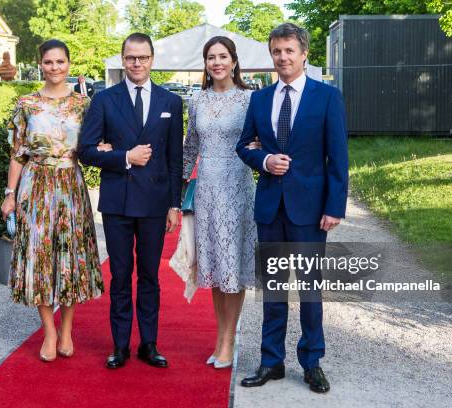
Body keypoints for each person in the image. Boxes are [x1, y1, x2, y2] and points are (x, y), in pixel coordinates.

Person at [236, 23, 348, 393]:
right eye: (276, 51)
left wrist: (334, 207)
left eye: (288, 51)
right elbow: (244, 146)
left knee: (310, 291)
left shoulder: (327, 98)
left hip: (311, 211)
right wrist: (265, 161)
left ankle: (312, 361)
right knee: (273, 290)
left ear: (304, 54)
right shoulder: (260, 99)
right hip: (270, 208)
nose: (282, 57)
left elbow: (338, 158)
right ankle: (272, 362)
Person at [78, 33, 183, 369]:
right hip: (118, 202)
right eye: (131, 58)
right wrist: (125, 157)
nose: (137, 64)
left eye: (143, 57)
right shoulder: (104, 100)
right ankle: (120, 345)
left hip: (154, 202)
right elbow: (86, 150)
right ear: (123, 59)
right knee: (121, 275)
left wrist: (174, 204)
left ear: (152, 59)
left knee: (150, 276)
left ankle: (148, 344)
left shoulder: (171, 101)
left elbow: (174, 157)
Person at [1, 39, 105, 362]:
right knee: (39, 257)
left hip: (71, 186)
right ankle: (48, 331)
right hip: (35, 186)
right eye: (48, 62)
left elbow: (95, 145)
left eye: (60, 62)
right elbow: (18, 153)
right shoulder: (26, 104)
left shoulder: (84, 105)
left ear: (69, 65)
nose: (55, 67)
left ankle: (67, 330)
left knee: (70, 258)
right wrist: (10, 194)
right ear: (40, 65)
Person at [182, 36, 255, 369]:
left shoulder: (249, 100)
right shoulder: (197, 101)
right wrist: (176, 192)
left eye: (222, 56)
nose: (217, 63)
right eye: (211, 57)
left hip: (237, 187)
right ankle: (220, 336)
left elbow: (259, 142)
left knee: (233, 266)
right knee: (213, 267)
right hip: (207, 191)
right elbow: (190, 148)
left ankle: (229, 339)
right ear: (206, 64)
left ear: (234, 61)